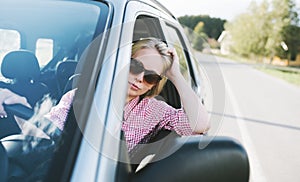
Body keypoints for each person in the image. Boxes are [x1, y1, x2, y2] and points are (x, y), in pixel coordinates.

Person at [0, 37, 209, 152]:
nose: (139, 78)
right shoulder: (79, 96)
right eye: (135, 66)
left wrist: (175, 75)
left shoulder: (155, 110)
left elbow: (199, 125)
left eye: (151, 77)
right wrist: (21, 108)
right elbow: (45, 135)